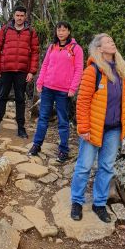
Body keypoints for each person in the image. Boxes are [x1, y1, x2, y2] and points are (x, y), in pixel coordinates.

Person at [70, 33, 125, 223]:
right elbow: (82, 101)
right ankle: (76, 201)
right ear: (99, 49)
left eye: (112, 40)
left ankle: (99, 204)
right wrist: (83, 128)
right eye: (107, 41)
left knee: (106, 167)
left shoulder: (122, 71)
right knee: (84, 166)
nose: (112, 42)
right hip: (93, 128)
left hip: (114, 129)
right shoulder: (93, 71)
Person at [28, 22, 83, 163]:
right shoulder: (52, 47)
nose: (61, 32)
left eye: (64, 30)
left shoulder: (76, 49)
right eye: (59, 30)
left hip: (64, 91)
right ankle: (36, 145)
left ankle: (63, 150)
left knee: (63, 121)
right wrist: (40, 82)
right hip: (47, 88)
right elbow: (45, 65)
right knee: (43, 118)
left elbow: (78, 70)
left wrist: (73, 88)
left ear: (69, 32)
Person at [0, 5, 40, 139]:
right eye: (17, 15)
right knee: (1, 97)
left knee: (20, 99)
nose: (19, 18)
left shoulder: (31, 32)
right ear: (13, 16)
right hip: (5, 69)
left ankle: (21, 128)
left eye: (22, 15)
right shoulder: (5, 30)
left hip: (22, 71)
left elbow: (35, 52)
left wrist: (32, 71)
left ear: (25, 16)